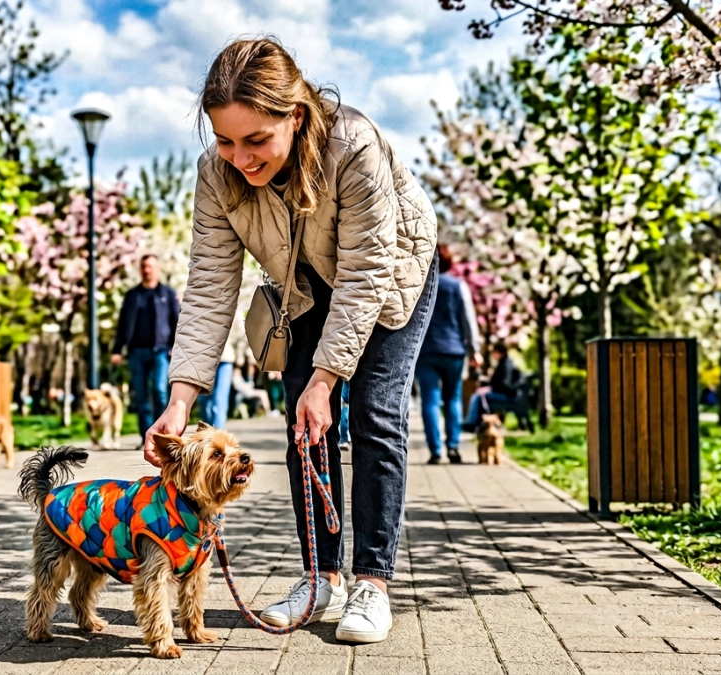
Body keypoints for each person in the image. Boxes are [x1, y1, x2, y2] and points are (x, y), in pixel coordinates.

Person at [143, 38, 438, 644]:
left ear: (294, 116)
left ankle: (372, 583)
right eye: (225, 139)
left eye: (256, 140)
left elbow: (363, 273)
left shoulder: (352, 144)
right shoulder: (216, 177)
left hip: (387, 275)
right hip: (302, 286)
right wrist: (179, 401)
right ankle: (320, 574)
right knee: (302, 423)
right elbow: (208, 289)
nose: (240, 157)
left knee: (375, 412)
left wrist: (327, 379)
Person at [414, 245, 482, 464]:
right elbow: (468, 320)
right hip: (454, 351)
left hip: (425, 351)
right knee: (453, 399)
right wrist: (475, 350)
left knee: (429, 401)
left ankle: (435, 450)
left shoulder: (419, 285)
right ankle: (453, 446)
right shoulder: (457, 286)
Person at [110, 254, 180, 442]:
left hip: (161, 350)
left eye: (150, 266)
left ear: (157, 269)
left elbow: (177, 322)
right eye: (144, 266)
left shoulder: (167, 294)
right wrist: (117, 349)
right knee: (140, 395)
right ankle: (146, 437)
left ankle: (160, 436)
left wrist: (176, 346)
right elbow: (123, 324)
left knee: (159, 391)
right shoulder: (133, 296)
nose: (147, 270)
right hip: (136, 351)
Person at [195, 317, 245, 428]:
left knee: (220, 398)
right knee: (203, 398)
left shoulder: (234, 308)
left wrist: (239, 361)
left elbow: (241, 336)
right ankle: (206, 430)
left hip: (225, 359)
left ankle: (217, 432)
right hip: (204, 358)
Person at [464, 343, 524, 430]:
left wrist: (490, 388)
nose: (492, 355)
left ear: (499, 353)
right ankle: (475, 422)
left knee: (479, 396)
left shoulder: (505, 365)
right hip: (507, 393)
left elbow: (504, 384)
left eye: (493, 352)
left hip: (507, 395)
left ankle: (472, 423)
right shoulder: (504, 362)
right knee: (478, 395)